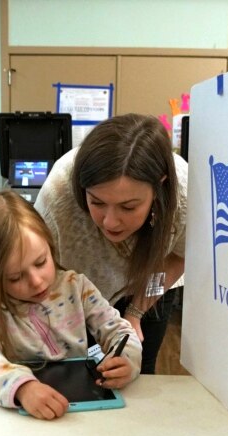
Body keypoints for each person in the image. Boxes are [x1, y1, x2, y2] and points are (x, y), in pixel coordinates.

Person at [34, 113, 187, 374]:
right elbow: (40, 270)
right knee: (81, 368)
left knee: (138, 369)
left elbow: (179, 256)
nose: (111, 222)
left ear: (159, 185)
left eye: (128, 207)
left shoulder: (183, 194)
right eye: (97, 203)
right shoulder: (58, 194)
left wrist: (136, 313)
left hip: (151, 280)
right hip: (77, 290)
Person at [0, 190, 142, 420]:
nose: (36, 281)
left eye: (41, 262)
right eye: (15, 277)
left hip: (85, 413)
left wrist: (126, 359)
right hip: (26, 419)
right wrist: (22, 387)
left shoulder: (77, 286)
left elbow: (120, 330)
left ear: (50, 244)